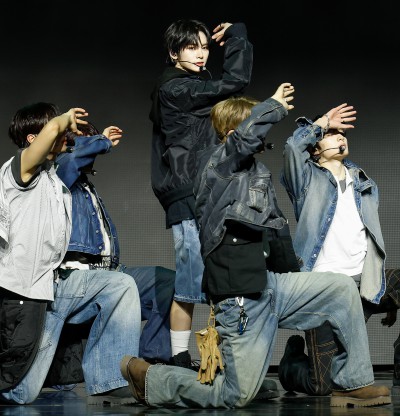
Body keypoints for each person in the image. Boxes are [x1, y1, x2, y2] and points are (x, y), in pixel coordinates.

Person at [120, 83, 390, 408]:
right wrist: (278, 108)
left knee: (341, 289)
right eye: (254, 124)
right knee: (235, 395)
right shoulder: (215, 165)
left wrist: (295, 277)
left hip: (273, 286)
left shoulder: (256, 172)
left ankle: (352, 384)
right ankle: (150, 378)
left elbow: (275, 235)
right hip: (240, 297)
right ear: (234, 132)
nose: (261, 133)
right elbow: (248, 140)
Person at [0, 102, 141, 406]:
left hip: (56, 286)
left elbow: (74, 152)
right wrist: (63, 119)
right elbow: (57, 136)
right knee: (20, 393)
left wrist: (95, 138)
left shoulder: (53, 178)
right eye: (57, 129)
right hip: (25, 294)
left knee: (120, 285)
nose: (65, 134)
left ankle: (109, 378)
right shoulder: (20, 170)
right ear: (32, 140)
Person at [149, 19, 253, 368]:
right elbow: (235, 82)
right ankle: (180, 357)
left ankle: (213, 360)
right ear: (173, 53)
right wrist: (237, 35)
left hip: (203, 193)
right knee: (191, 277)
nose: (201, 54)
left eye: (205, 47)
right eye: (191, 47)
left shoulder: (189, 85)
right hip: (188, 194)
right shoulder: (177, 88)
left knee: (208, 277)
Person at [278, 104, 400, 396]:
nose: (340, 137)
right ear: (315, 148)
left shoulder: (364, 182)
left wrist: (389, 298)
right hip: (325, 289)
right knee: (322, 386)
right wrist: (321, 123)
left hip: (364, 283)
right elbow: (293, 148)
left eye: (341, 133)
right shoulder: (305, 179)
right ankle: (290, 365)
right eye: (331, 134)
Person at [54, 121, 176, 365]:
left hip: (110, 272)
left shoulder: (86, 187)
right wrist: (103, 141)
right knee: (120, 284)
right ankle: (115, 371)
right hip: (77, 278)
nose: (91, 148)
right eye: (83, 141)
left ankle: (151, 365)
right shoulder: (59, 176)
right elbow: (72, 157)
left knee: (168, 282)